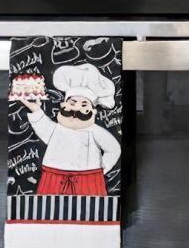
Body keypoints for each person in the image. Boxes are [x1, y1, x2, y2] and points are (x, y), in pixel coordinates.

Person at [15, 60, 122, 198]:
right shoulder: (56, 129)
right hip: (53, 178)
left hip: (88, 180)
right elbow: (43, 126)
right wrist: (36, 110)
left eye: (84, 105)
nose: (76, 108)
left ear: (93, 111)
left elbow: (114, 149)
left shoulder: (95, 131)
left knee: (89, 210)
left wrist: (101, 170)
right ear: (63, 105)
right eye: (72, 103)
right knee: (49, 209)